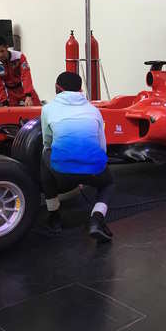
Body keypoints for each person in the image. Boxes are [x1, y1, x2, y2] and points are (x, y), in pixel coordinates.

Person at [40, 71, 114, 242]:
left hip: (61, 172)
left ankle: (54, 216)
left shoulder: (47, 109)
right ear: (80, 89)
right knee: (108, 183)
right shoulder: (93, 110)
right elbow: (102, 146)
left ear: (57, 88)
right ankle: (96, 219)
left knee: (44, 154)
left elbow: (47, 141)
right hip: (92, 167)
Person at [0, 36, 41, 107]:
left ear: (7, 47)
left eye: (2, 51)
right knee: (11, 115)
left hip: (23, 88)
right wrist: (4, 102)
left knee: (37, 109)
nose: (0, 55)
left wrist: (28, 95)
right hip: (10, 93)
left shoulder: (19, 57)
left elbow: (26, 76)